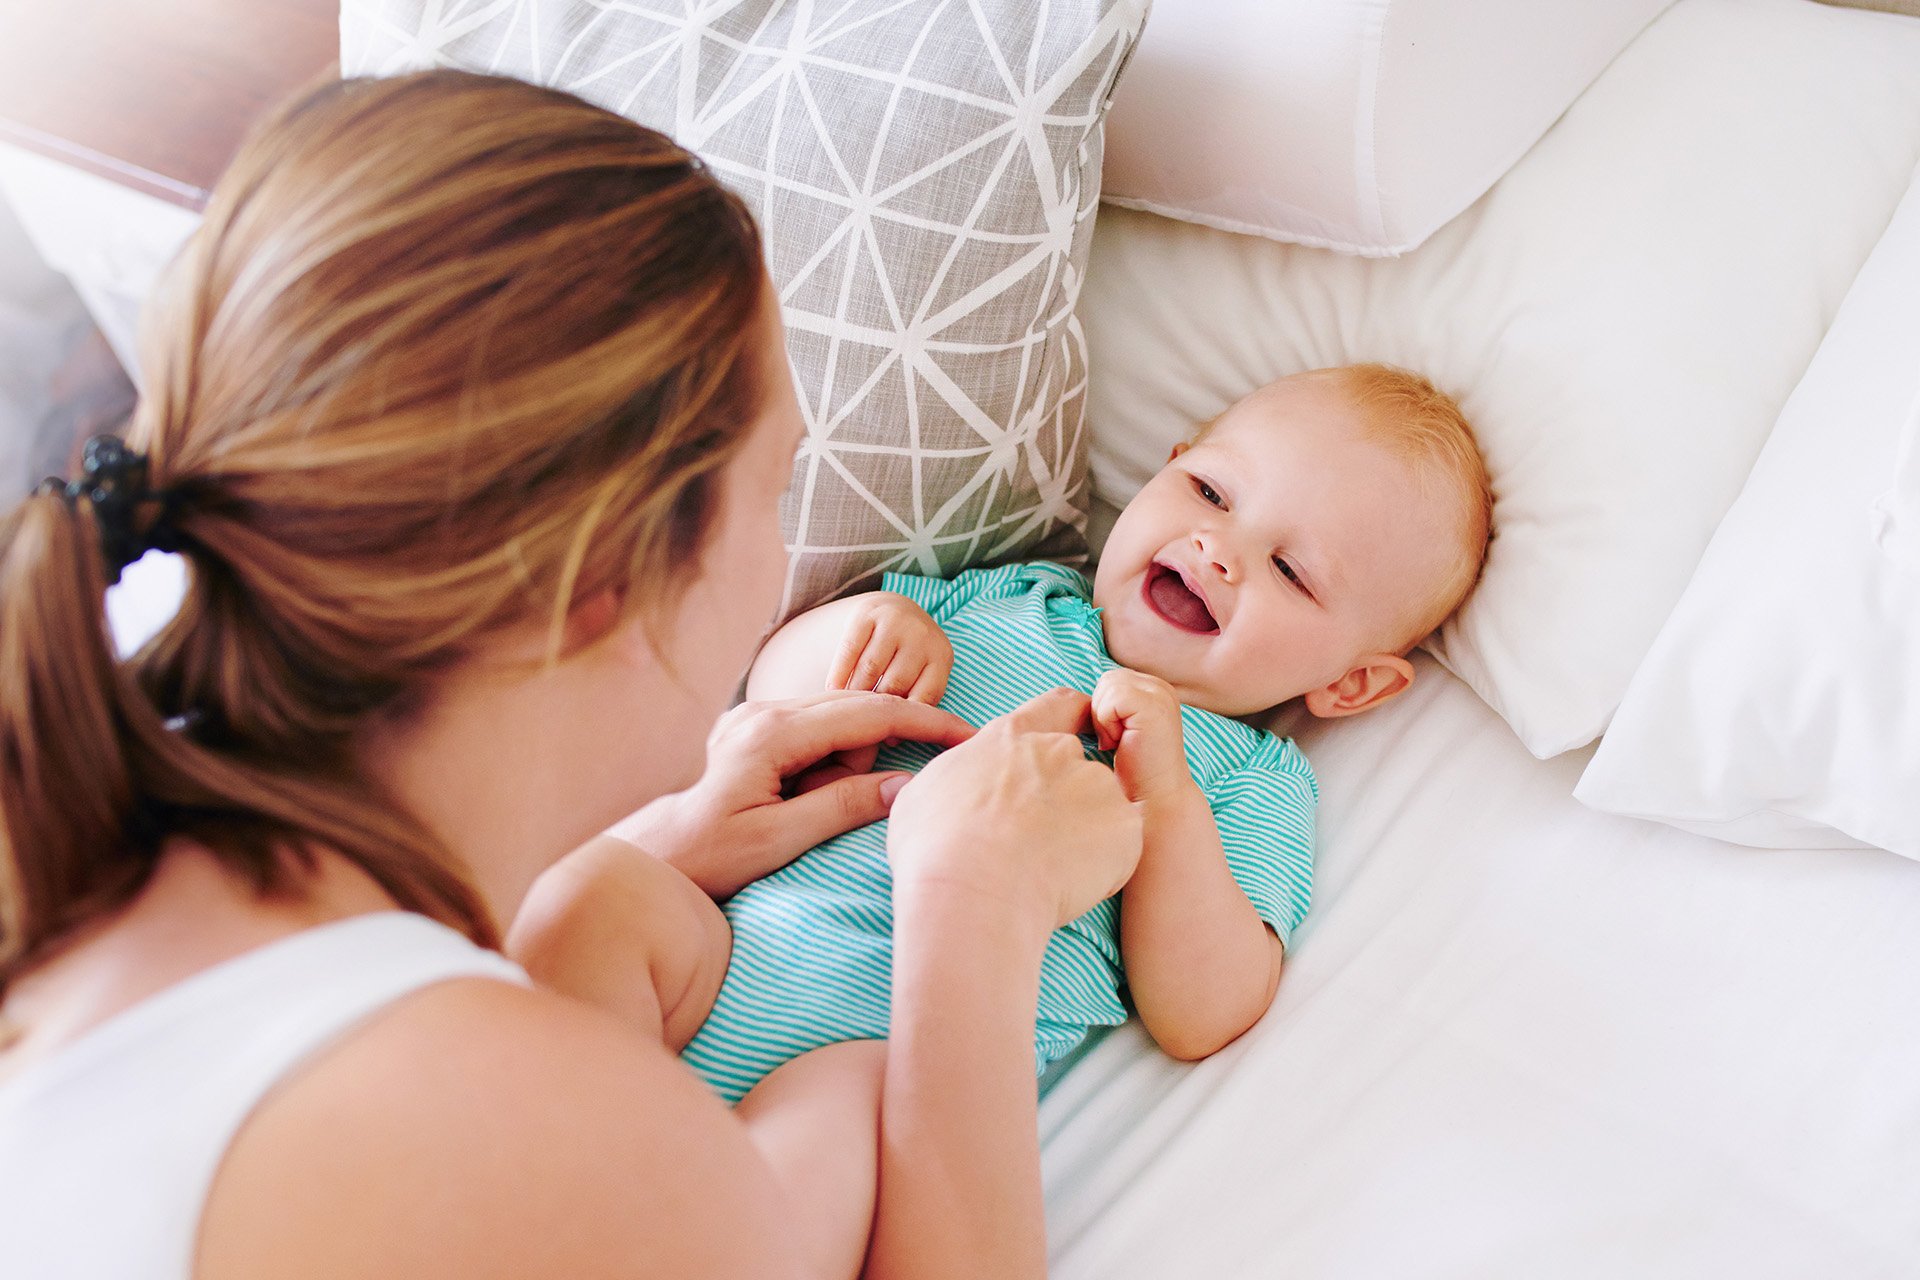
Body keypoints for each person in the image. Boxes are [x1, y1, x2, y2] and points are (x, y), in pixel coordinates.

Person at [0, 69, 1144, 1280]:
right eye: (776, 488)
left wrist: (651, 845)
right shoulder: (545, 1144)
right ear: (609, 575)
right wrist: (972, 908)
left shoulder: (79, 810)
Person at [520, 363, 1494, 1104]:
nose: (1218, 550)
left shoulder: (1249, 777)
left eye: (1291, 569)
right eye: (1211, 493)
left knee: (831, 1134)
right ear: (1163, 472)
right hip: (711, 958)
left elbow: (1207, 1007)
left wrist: (1166, 801)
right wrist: (862, 638)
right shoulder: (1010, 594)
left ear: (1353, 684)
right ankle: (524, 1113)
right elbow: (768, 699)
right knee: (595, 901)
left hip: (880, 1063)